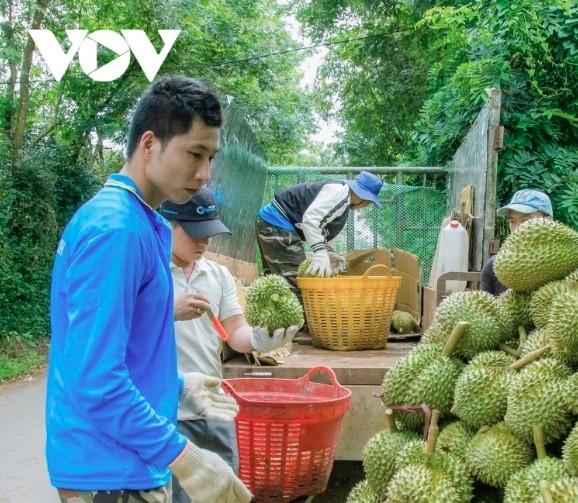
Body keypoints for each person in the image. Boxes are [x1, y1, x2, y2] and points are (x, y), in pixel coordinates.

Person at [47, 76, 252, 503]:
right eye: (194, 153)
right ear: (149, 143)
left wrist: (175, 386)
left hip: (126, 461)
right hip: (110, 469)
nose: (204, 174)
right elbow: (97, 378)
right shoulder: (116, 230)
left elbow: (122, 350)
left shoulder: (140, 221)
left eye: (211, 157)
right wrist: (185, 458)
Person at [159, 187, 302, 503]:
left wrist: (261, 339)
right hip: (170, 413)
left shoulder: (218, 274)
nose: (204, 242)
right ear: (168, 224)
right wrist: (168, 311)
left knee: (227, 493)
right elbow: (122, 329)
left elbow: (234, 331)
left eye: (209, 233)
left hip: (215, 409)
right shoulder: (150, 273)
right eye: (195, 233)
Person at [255, 170, 383, 294]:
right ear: (364, 197)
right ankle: (300, 316)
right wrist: (320, 252)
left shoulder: (344, 202)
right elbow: (311, 219)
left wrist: (329, 252)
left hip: (273, 222)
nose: (367, 205)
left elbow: (325, 228)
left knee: (276, 282)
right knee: (297, 284)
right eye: (369, 202)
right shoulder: (340, 193)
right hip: (277, 222)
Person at [480, 189, 554, 296]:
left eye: (525, 221)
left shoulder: (568, 265)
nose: (517, 228)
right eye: (512, 221)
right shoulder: (494, 266)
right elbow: (483, 309)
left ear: (548, 221)